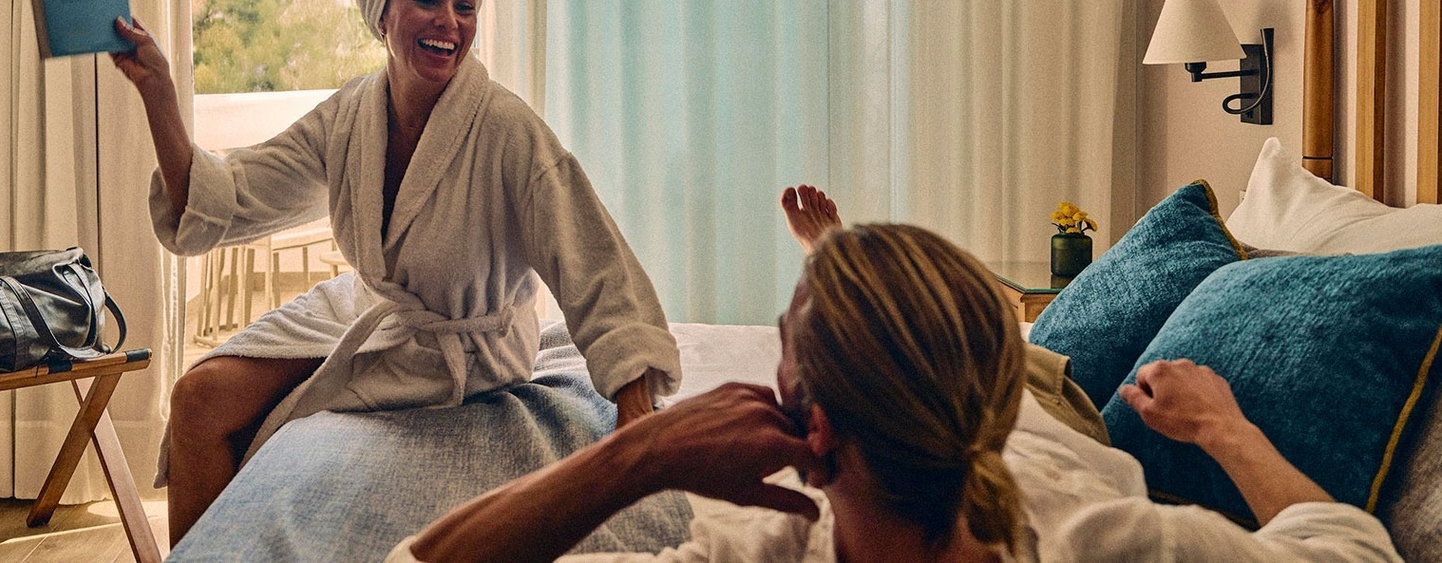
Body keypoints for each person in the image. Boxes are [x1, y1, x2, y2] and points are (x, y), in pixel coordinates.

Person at [108, 0, 682, 543]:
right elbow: (228, 196)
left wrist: (636, 417)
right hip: (373, 307)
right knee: (196, 400)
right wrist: (158, 93)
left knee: (251, 422)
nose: (449, 23)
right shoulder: (350, 115)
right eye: (427, 0)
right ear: (383, 11)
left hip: (464, 347)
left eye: (465, 6)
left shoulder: (505, 129)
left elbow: (594, 265)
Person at [390, 191, 1401, 562]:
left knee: (998, 351)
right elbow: (1351, 548)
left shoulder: (767, 545)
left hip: (1029, 391)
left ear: (813, 434)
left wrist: (639, 451)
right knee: (990, 349)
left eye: (788, 337)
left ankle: (847, 270)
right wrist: (1224, 427)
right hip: (1021, 401)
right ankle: (855, 273)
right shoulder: (1111, 539)